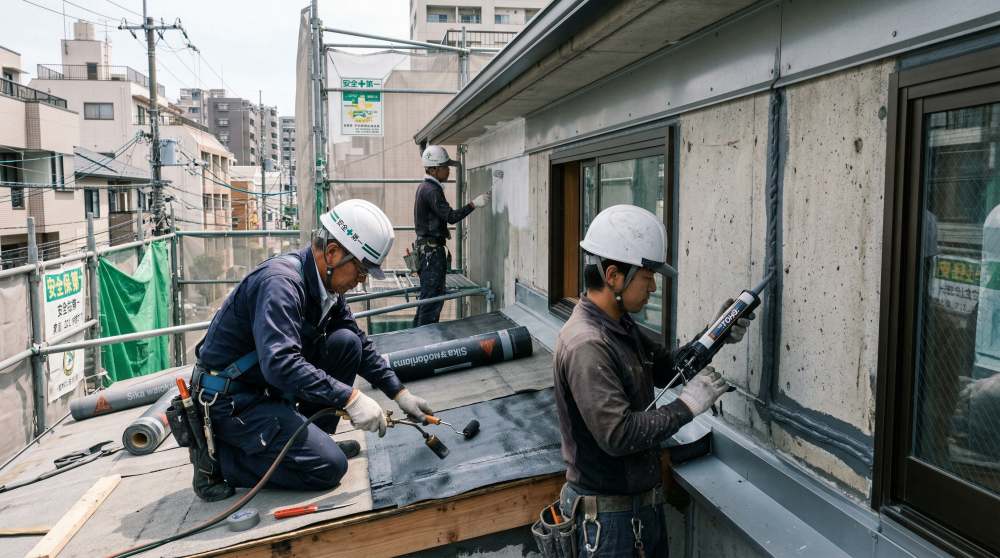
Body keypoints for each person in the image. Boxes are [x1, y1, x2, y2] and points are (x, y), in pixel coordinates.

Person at [188, 199, 433, 501]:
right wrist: (350, 397)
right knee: (328, 469)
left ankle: (316, 440)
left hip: (263, 389)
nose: (360, 282)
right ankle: (220, 461)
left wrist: (400, 393)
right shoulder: (281, 283)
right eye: (360, 271)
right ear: (332, 252)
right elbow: (280, 364)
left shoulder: (322, 285)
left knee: (346, 343)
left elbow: (358, 340)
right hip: (232, 402)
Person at [553, 205, 754, 557]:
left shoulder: (618, 325)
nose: (654, 287)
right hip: (610, 528)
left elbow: (664, 367)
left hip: (637, 514)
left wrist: (715, 335)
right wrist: (687, 407)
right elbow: (619, 435)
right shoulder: (588, 343)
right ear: (614, 276)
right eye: (648, 278)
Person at [412, 145, 491, 327]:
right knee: (432, 302)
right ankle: (424, 344)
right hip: (432, 253)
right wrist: (474, 204)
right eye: (444, 167)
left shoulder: (424, 187)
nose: (448, 170)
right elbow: (451, 217)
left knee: (427, 300)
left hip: (427, 251)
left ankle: (416, 341)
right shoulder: (432, 190)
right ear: (433, 169)